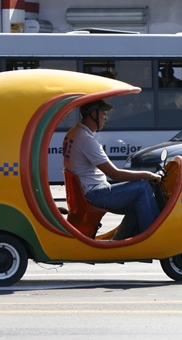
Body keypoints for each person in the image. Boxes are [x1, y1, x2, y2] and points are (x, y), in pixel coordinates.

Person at [63, 100, 162, 240]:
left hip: (88, 191)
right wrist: (147, 175)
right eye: (103, 114)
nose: (106, 118)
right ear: (93, 114)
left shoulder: (74, 133)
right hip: (95, 193)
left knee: (138, 201)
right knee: (143, 188)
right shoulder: (85, 139)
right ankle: (154, 239)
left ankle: (120, 241)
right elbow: (115, 174)